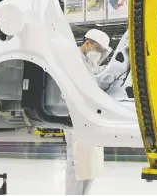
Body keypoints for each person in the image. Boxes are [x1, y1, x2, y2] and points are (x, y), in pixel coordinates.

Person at [64, 29, 112, 195]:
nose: (99, 53)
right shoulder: (72, 59)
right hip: (74, 116)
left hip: (89, 116)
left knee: (89, 160)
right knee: (76, 160)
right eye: (98, 49)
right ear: (87, 43)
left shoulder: (90, 63)